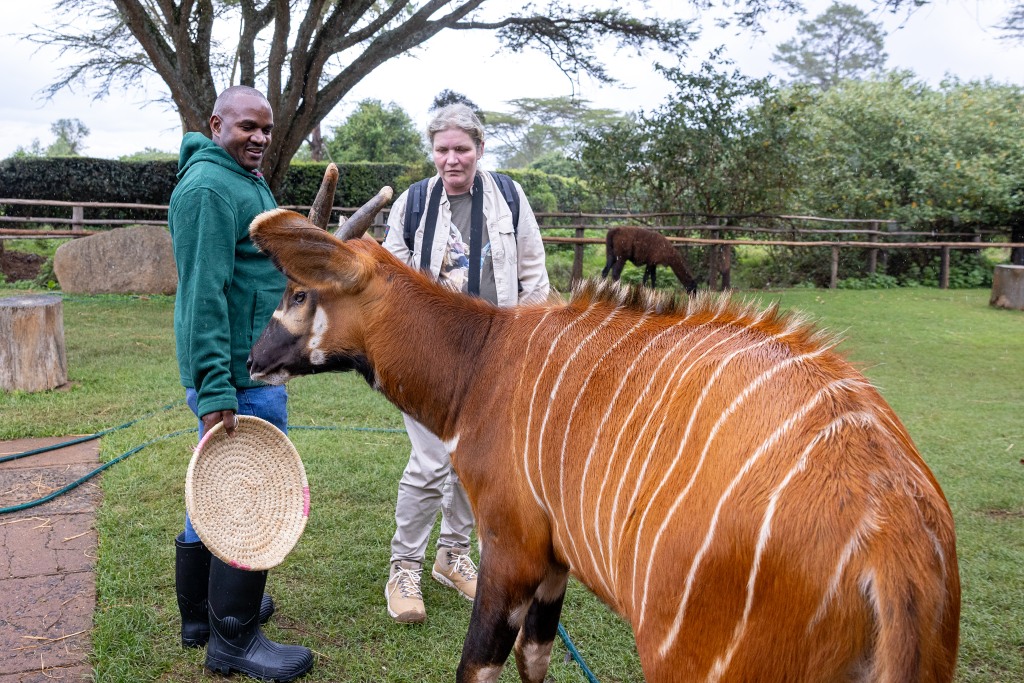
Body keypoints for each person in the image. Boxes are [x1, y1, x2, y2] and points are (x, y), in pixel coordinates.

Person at [380, 103, 550, 623]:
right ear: (431, 151)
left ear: (479, 148)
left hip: (494, 358)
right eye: (442, 149)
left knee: (470, 464)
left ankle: (453, 556)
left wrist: (533, 349)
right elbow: (388, 280)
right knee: (431, 463)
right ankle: (403, 566)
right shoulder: (412, 204)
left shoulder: (510, 200)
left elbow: (533, 278)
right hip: (428, 359)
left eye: (462, 149)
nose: (451, 159)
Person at [168, 85, 314, 682]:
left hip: (255, 369)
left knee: (217, 494)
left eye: (265, 128)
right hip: (236, 377)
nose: (258, 137)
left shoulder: (242, 180)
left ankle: (203, 615)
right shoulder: (208, 188)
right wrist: (215, 390)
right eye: (246, 126)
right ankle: (235, 641)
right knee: (247, 503)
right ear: (216, 123)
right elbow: (200, 298)